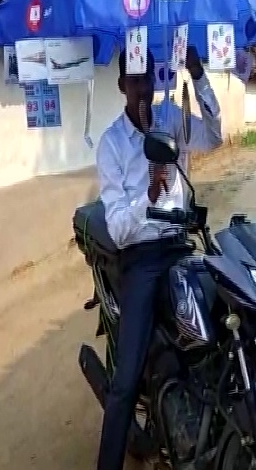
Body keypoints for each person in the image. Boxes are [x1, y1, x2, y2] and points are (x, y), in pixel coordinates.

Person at [95, 45, 222, 470]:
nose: (143, 89)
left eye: (148, 78)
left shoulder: (172, 119)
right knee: (126, 379)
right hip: (142, 258)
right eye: (134, 81)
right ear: (121, 87)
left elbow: (215, 137)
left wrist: (199, 76)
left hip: (181, 244)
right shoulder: (111, 144)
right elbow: (116, 227)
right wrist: (147, 194)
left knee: (218, 324)